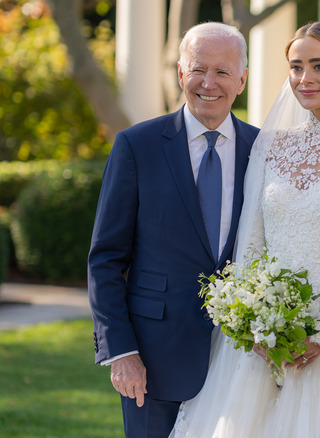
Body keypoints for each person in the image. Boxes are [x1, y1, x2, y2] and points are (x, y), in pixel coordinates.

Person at [167, 22, 320, 437]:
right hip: (261, 336)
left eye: (319, 66)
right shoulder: (271, 145)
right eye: (296, 66)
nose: (305, 79)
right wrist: (253, 325)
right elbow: (250, 241)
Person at [87, 22, 257, 437]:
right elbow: (106, 259)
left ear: (242, 79)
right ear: (181, 74)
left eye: (222, 71)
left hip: (244, 361)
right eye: (198, 69)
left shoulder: (265, 150)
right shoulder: (137, 145)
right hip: (153, 359)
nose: (209, 83)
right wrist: (121, 351)